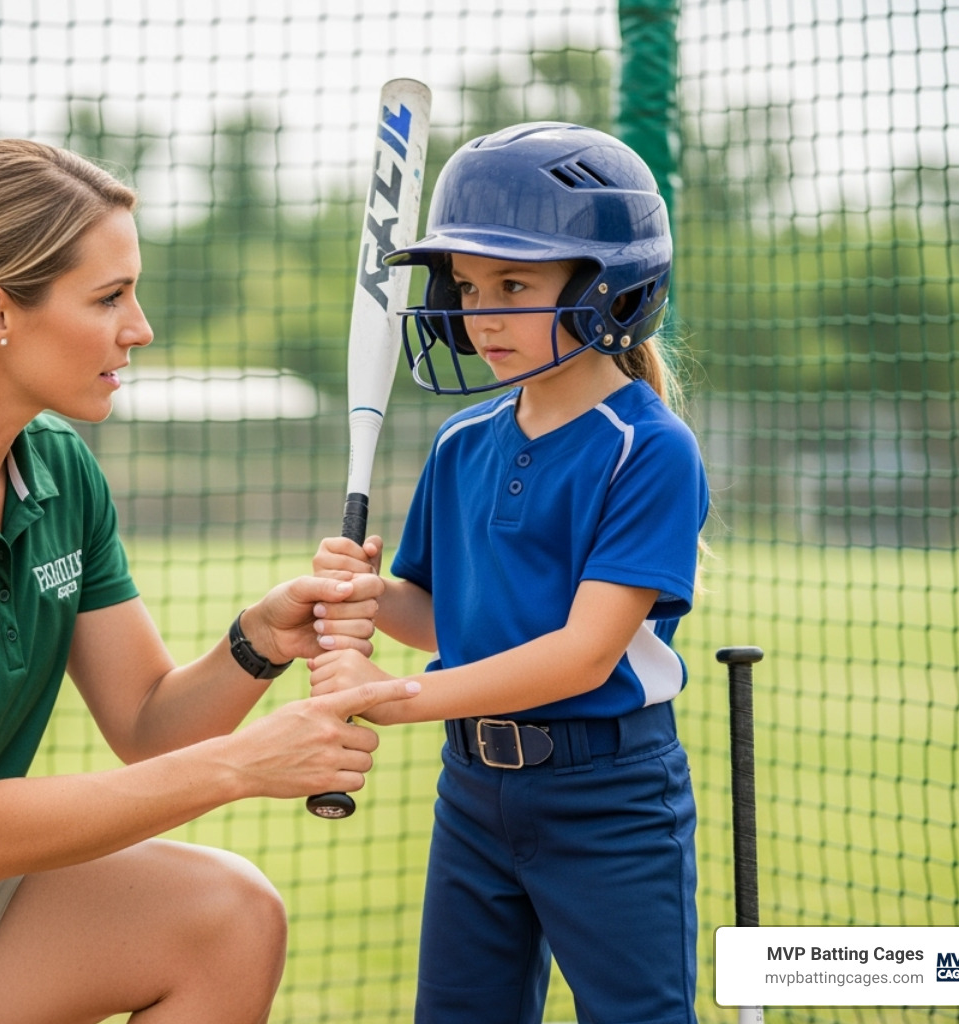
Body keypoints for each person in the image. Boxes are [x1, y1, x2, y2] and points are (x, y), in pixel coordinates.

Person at [0, 138, 414, 1024]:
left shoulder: (57, 469)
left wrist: (258, 642)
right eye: (109, 298)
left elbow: (147, 725)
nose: (140, 328)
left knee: (228, 916)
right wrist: (246, 764)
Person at [308, 122, 709, 1023]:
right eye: (469, 286)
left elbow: (580, 657)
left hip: (608, 798)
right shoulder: (463, 443)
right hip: (473, 792)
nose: (481, 314)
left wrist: (397, 696)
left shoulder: (647, 451)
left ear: (612, 290)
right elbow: (445, 615)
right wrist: (370, 596)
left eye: (516, 284)